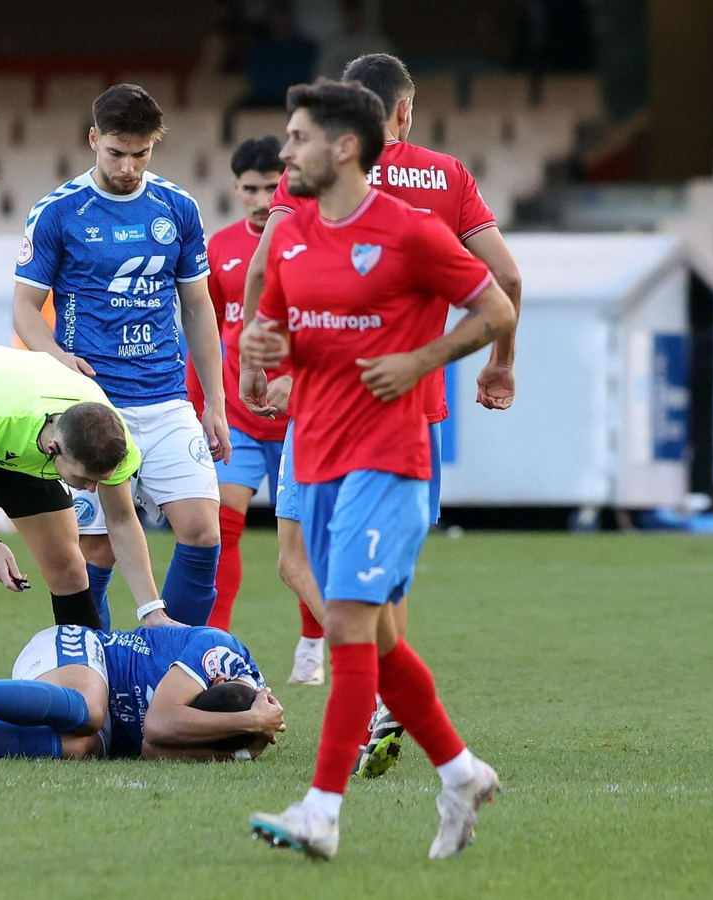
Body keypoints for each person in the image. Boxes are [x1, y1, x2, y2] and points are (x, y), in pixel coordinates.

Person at [241, 80, 515, 861]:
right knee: (383, 642)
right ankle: (461, 774)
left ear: (344, 147)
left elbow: (497, 308)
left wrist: (422, 360)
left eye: (298, 138)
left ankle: (321, 813)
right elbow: (285, 333)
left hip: (390, 457)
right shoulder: (292, 235)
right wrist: (265, 352)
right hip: (319, 455)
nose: (285, 152)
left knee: (346, 625)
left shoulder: (411, 231)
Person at [12, 84, 229, 630]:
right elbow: (24, 310)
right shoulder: (58, 211)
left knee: (204, 531)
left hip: (166, 397)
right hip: (92, 404)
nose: (129, 167)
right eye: (116, 152)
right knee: (97, 549)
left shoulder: (178, 207)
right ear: (94, 140)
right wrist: (58, 357)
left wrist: (215, 401)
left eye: (141, 153)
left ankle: (168, 663)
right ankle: (98, 667)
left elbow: (198, 307)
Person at [0, 344, 178, 682]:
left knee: (69, 567)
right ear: (53, 449)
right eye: (85, 479)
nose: (92, 489)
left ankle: (89, 693)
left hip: (20, 432)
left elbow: (121, 520)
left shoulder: (112, 437)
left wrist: (152, 611)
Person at [184, 136, 323, 649]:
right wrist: (199, 406)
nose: (263, 200)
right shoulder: (218, 249)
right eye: (251, 189)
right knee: (221, 528)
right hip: (239, 417)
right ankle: (215, 643)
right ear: (236, 188)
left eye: (271, 187)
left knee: (305, 538)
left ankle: (312, 640)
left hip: (301, 416)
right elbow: (203, 335)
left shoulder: (312, 242)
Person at [0, 622, 282, 762]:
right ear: (216, 682)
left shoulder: (251, 732)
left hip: (105, 729)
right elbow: (159, 724)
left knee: (82, 747)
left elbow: (153, 748)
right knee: (90, 711)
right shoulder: (219, 653)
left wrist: (244, 743)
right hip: (82, 653)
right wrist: (249, 722)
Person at [314, 0, 395, 81]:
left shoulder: (377, 43)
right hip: (339, 87)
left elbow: (390, 75)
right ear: (345, 15)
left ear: (362, 15)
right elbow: (321, 76)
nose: (353, 19)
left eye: (356, 15)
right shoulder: (332, 45)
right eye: (350, 15)